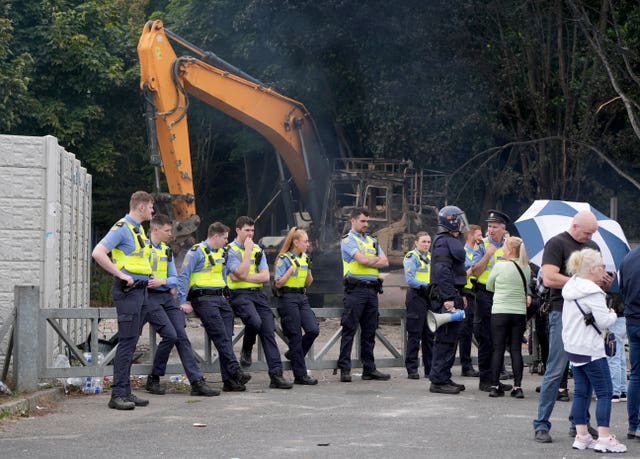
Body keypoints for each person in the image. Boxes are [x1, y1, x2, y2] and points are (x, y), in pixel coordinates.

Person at [533, 210, 613, 443]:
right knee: (555, 370)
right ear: (575, 226)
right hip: (562, 312)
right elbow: (548, 278)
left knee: (585, 372)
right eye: (588, 232)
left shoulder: (592, 246)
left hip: (588, 316)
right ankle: (541, 424)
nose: (590, 237)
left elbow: (597, 280)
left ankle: (580, 425)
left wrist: (603, 282)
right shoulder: (556, 243)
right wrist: (585, 283)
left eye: (593, 233)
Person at [143, 214, 219, 397]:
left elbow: (174, 279)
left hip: (166, 297)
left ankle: (197, 382)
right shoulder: (143, 248)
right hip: (149, 298)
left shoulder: (166, 250)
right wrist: (165, 283)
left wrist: (163, 282)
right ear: (156, 229)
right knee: (170, 335)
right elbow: (142, 278)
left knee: (181, 336)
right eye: (167, 230)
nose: (171, 234)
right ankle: (154, 377)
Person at [91, 191, 154, 410]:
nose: (153, 211)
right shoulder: (121, 228)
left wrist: (148, 276)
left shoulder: (137, 230)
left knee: (131, 341)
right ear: (141, 207)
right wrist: (120, 274)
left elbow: (137, 261)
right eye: (151, 207)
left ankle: (125, 392)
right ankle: (117, 394)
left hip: (141, 291)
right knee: (126, 343)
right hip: (128, 292)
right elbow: (98, 252)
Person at [562, 248, 625, 453]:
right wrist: (612, 313)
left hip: (573, 346)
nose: (603, 271)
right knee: (605, 392)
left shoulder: (571, 286)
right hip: (591, 348)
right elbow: (604, 320)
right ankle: (604, 438)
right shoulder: (594, 292)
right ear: (592, 269)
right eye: (601, 267)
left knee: (581, 392)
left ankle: (582, 436)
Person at [178, 221, 252, 392]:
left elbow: (224, 275)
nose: (227, 241)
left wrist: (226, 294)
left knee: (225, 338)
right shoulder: (196, 252)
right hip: (203, 299)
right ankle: (235, 371)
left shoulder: (223, 253)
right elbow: (184, 276)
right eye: (225, 238)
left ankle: (229, 381)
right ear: (216, 236)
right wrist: (182, 301)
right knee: (220, 336)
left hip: (221, 299)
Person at [227, 216, 293, 389]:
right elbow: (238, 274)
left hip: (257, 294)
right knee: (254, 321)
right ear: (238, 230)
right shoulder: (231, 249)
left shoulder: (258, 249)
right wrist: (247, 253)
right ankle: (247, 349)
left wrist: (246, 276)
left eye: (252, 230)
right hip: (239, 295)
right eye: (247, 230)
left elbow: (264, 276)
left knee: (268, 329)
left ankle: (276, 375)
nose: (250, 234)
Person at [338, 208, 390, 382]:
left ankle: (369, 369)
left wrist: (370, 260)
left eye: (367, 221)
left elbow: (386, 261)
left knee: (369, 331)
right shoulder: (347, 240)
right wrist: (374, 261)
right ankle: (345, 369)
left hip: (372, 290)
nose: (366, 224)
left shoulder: (372, 241)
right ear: (353, 221)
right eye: (363, 221)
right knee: (349, 330)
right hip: (355, 290)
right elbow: (363, 260)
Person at [428, 206, 469, 394]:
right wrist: (449, 298)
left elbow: (454, 272)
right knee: (444, 339)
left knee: (451, 338)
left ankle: (444, 376)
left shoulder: (448, 241)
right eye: (459, 219)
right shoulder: (443, 242)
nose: (462, 223)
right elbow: (443, 272)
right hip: (447, 295)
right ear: (451, 221)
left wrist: (460, 295)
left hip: (453, 293)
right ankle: (437, 380)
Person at [471, 210, 512, 392]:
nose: (491, 230)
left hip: (504, 295)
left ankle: (497, 377)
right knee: (486, 338)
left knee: (500, 338)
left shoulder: (510, 246)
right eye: (489, 226)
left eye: (495, 226)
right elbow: (475, 271)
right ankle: (485, 380)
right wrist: (487, 254)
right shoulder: (482, 244)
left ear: (504, 229)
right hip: (485, 295)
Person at [273, 227, 320, 385]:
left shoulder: (305, 258)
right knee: (295, 336)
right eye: (305, 241)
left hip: (302, 297)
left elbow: (309, 282)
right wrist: (290, 271)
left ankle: (294, 354)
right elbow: (278, 283)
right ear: (296, 242)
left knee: (313, 329)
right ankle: (300, 375)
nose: (308, 244)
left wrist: (307, 272)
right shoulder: (284, 258)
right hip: (287, 298)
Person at [485, 236, 531, 398]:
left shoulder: (500, 266)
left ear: (510, 250)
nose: (503, 250)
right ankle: (518, 387)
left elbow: (489, 285)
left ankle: (494, 385)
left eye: (504, 247)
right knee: (515, 350)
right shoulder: (526, 267)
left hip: (500, 312)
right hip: (518, 313)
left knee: (498, 349)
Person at [402, 232, 433, 379]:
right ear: (416, 242)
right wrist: (427, 286)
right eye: (423, 242)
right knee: (415, 334)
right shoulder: (411, 257)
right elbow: (410, 279)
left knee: (429, 334)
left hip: (430, 298)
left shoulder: (431, 257)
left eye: (428, 242)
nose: (426, 244)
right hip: (417, 296)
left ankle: (430, 369)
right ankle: (412, 369)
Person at [620, 244, 640, 439]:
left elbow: (623, 289)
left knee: (636, 375)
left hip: (632, 321)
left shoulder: (628, 258)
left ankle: (633, 425)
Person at [459, 224, 482, 377]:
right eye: (479, 234)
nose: (481, 237)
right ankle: (466, 366)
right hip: (465, 293)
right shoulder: (462, 252)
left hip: (477, 293)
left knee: (475, 330)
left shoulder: (480, 252)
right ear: (470, 235)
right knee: (465, 331)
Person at [605, 294, 627, 403]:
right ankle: (622, 390)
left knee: (613, 355)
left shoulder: (611, 278)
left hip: (615, 315)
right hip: (624, 315)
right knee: (620, 355)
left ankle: (614, 391)